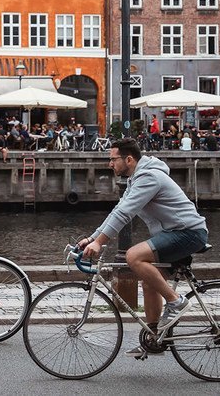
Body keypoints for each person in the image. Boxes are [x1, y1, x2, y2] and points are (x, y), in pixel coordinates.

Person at [79, 139, 209, 359]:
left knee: (134, 256)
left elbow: (124, 214)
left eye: (113, 159)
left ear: (129, 159)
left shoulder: (148, 177)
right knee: (149, 282)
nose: (110, 164)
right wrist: (92, 237)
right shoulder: (135, 179)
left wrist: (100, 243)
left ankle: (177, 302)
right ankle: (154, 338)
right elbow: (117, 210)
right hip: (174, 233)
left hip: (189, 232)